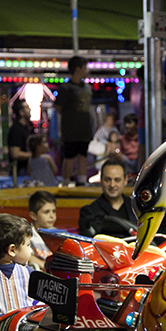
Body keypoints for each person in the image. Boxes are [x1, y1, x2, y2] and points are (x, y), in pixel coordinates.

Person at [55, 56, 93, 186]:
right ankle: (66, 181)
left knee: (83, 155)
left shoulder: (87, 87)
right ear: (78, 69)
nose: (86, 71)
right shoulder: (66, 88)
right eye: (84, 68)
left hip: (84, 129)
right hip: (71, 130)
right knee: (70, 156)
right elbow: (58, 107)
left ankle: (82, 180)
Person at [78, 159, 137, 238]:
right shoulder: (89, 212)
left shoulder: (137, 209)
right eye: (108, 180)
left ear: (125, 180)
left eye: (117, 180)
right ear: (101, 179)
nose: (112, 185)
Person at [28, 191, 57, 270]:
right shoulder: (26, 234)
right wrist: (44, 265)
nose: (52, 216)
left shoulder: (58, 234)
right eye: (46, 212)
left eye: (53, 211)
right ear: (33, 216)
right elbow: (24, 255)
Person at [7, 98, 33, 174]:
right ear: (21, 112)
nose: (29, 109)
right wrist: (33, 155)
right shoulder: (16, 130)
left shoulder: (27, 128)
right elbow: (15, 153)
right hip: (20, 171)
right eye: (27, 108)